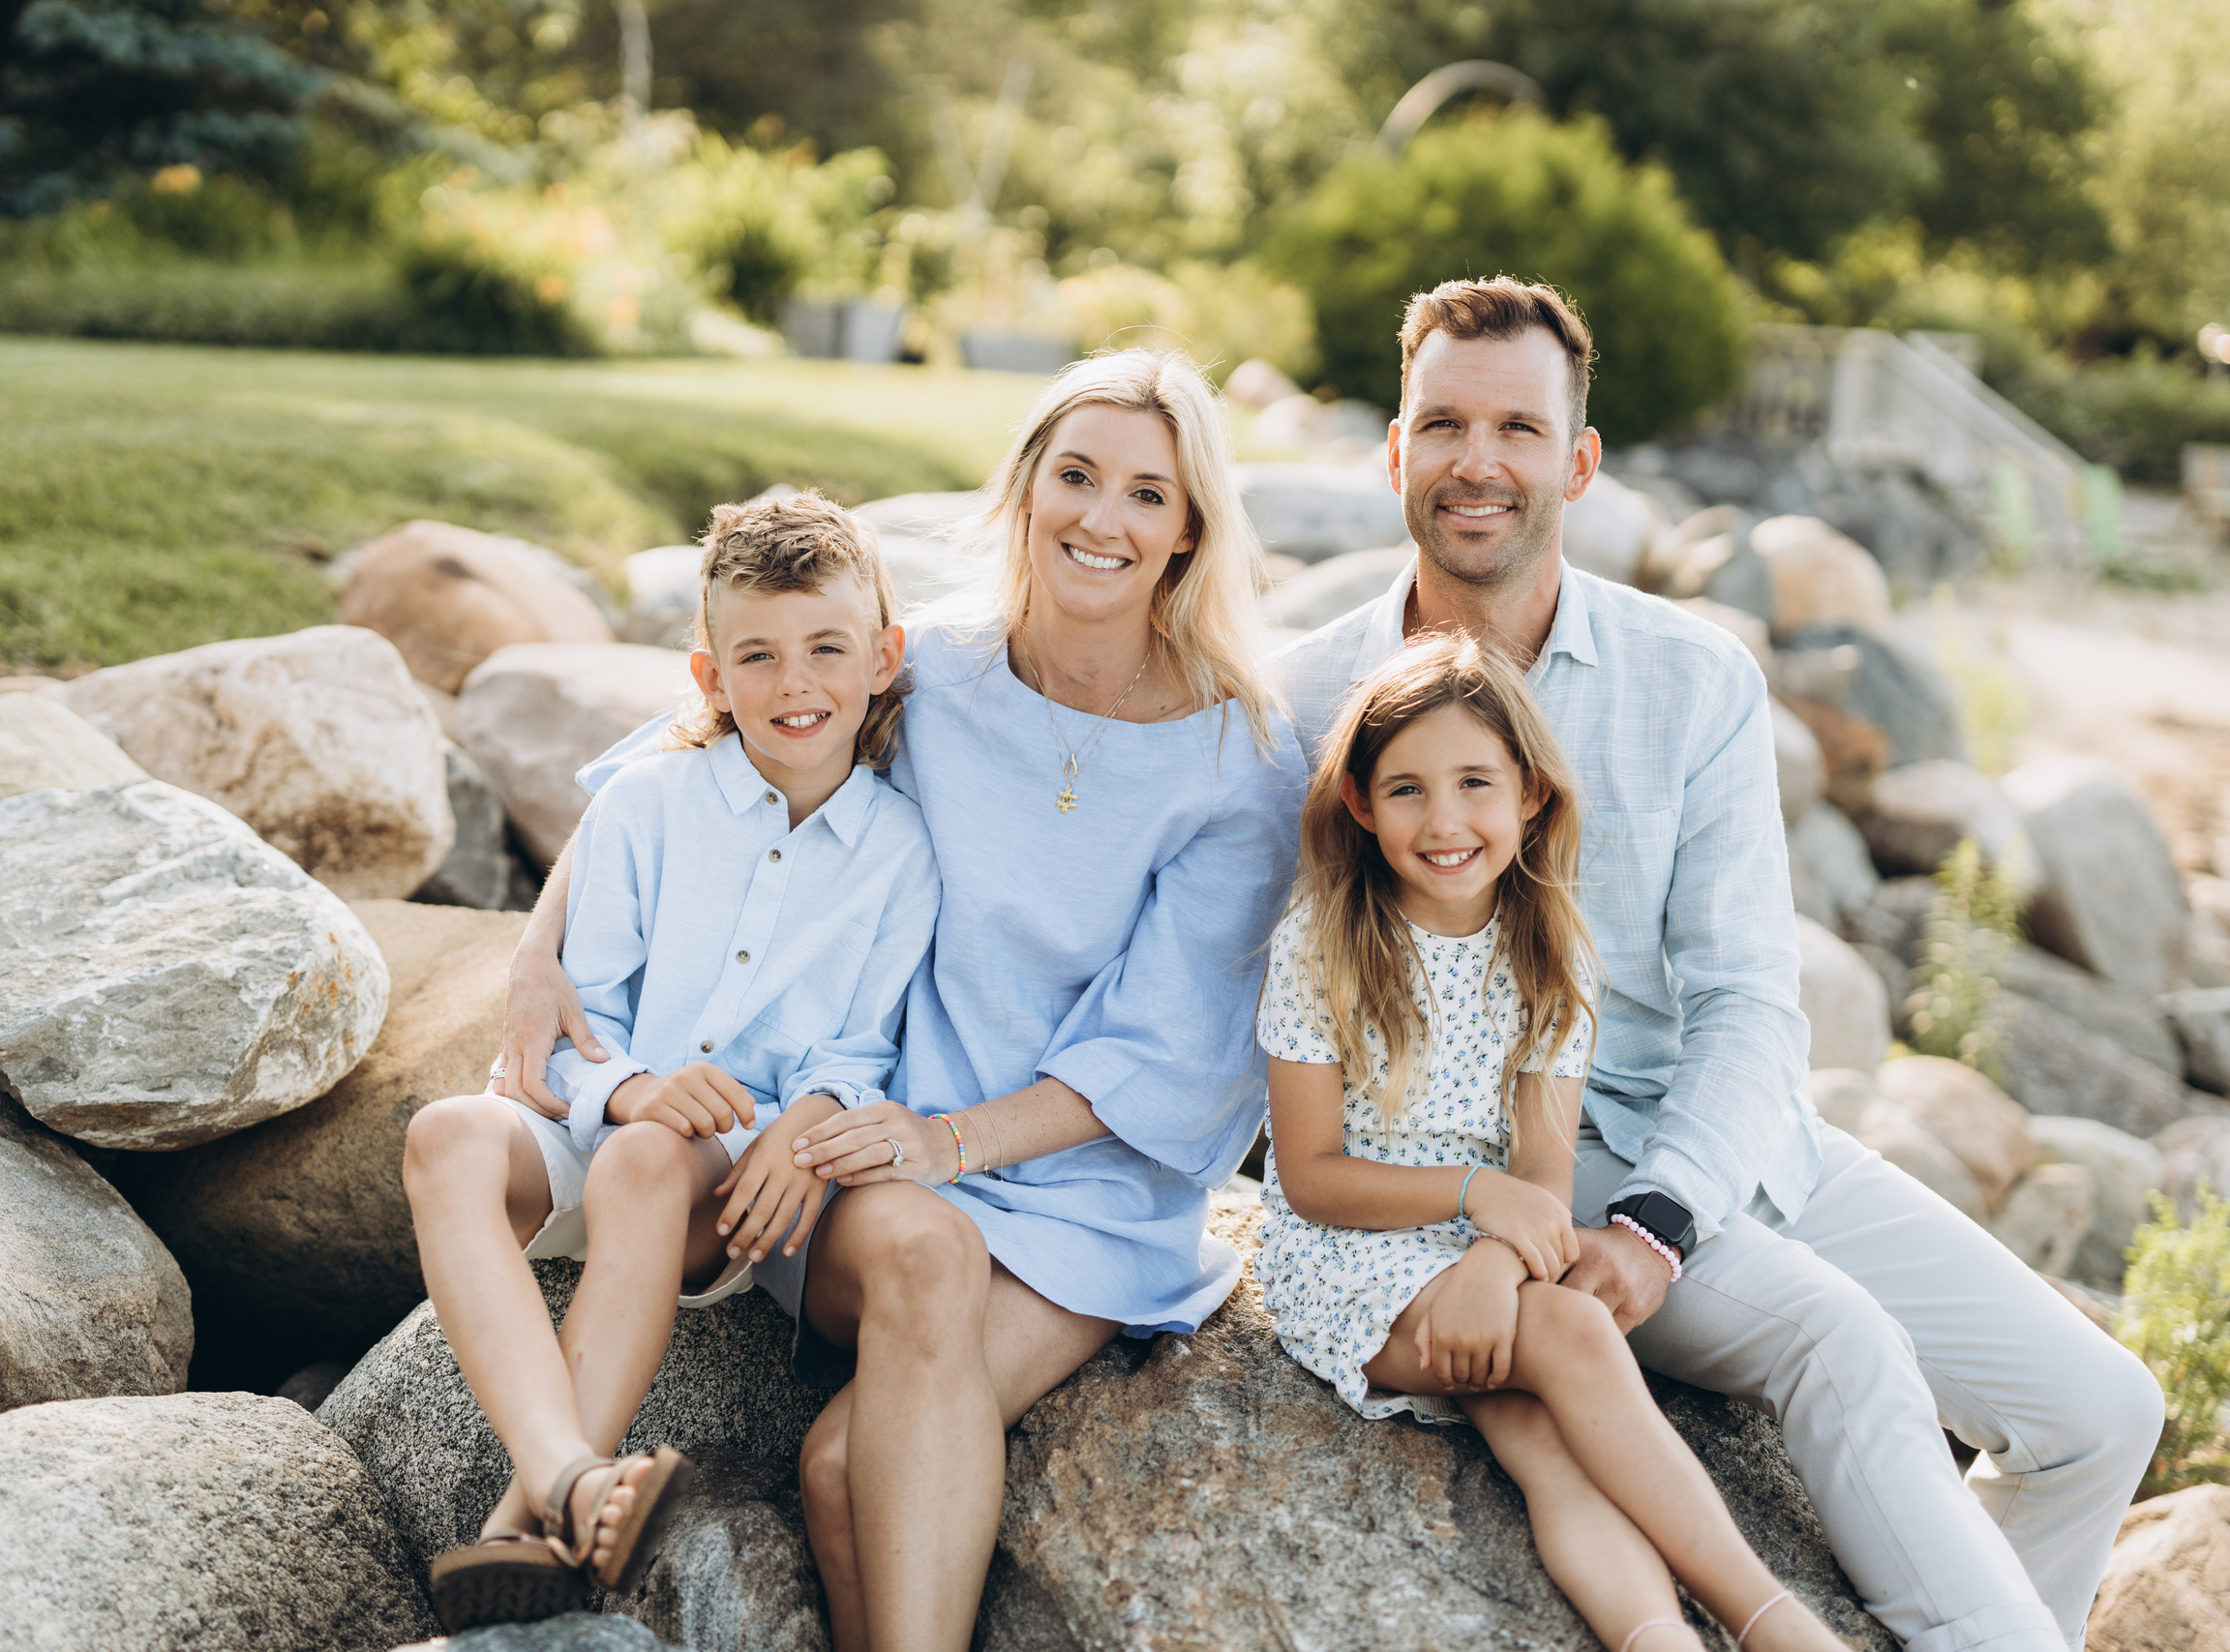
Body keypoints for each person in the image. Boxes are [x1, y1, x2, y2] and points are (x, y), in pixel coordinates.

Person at [1279, 276, 2161, 1652]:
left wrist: (1668, 1214)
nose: (1477, 461)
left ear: (1578, 462)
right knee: (1837, 1340)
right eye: (1443, 424)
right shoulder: (1303, 697)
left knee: (2106, 1410)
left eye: (1518, 428)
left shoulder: (1692, 673)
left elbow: (1752, 995)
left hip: (1716, 1138)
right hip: (1517, 1161)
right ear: (1394, 450)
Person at [495, 348, 1305, 1652]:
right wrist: (538, 953)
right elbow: (677, 753)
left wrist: (952, 1140)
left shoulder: (1240, 757)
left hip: (1078, 1185)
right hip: (865, 1159)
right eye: (1076, 475)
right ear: (1026, 490)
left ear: (1191, 527)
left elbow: (1167, 1052)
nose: (1104, 517)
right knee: (861, 1415)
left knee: (836, 1467)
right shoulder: (926, 666)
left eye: (1147, 494)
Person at [402, 493, 940, 1632]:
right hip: (596, 1118)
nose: (795, 686)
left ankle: (519, 1530)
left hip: (722, 1183)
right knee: (445, 1134)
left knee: (649, 1160)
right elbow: (580, 1015)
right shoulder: (646, 805)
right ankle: (564, 1482)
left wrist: (807, 1124)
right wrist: (637, 1087)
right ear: (706, 677)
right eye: (758, 656)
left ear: (883, 659)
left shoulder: (901, 855)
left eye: (826, 651)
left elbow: (860, 1049)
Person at [1256, 631, 1854, 1652]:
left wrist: (1495, 1260)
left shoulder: (1551, 949)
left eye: (1474, 783)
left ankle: (1654, 1636)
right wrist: (1477, 1205)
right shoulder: (1325, 941)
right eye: (1405, 789)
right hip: (1348, 1256)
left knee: (1547, 1441)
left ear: (1530, 793)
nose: (1443, 821)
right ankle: (1770, 1619)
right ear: (1357, 803)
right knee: (1573, 1335)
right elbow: (1309, 1178)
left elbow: (1541, 1166)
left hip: (1482, 1253)